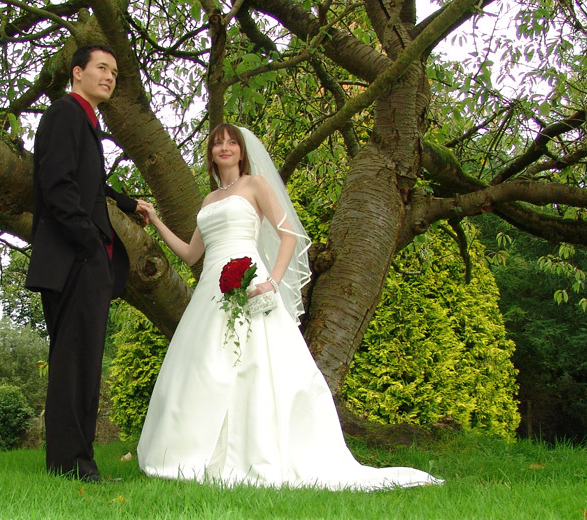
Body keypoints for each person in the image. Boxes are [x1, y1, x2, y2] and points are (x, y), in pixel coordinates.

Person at [135, 124, 443, 491]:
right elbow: (190, 254)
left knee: (255, 368)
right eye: (218, 143)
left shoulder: (255, 186)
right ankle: (198, 453)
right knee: (204, 368)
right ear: (211, 153)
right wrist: (154, 220)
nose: (225, 147)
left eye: (232, 142)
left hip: (251, 284)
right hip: (211, 292)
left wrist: (272, 282)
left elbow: (289, 235)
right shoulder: (207, 202)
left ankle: (254, 452)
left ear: (242, 150)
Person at [25, 44, 147, 482]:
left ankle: (75, 463)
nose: (110, 76)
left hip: (83, 259)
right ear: (77, 73)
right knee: (74, 364)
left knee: (82, 362)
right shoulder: (64, 114)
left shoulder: (85, 122)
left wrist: (124, 201)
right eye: (101, 68)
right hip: (74, 258)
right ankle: (72, 466)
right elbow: (57, 184)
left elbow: (88, 180)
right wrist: (91, 244)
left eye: (114, 71)